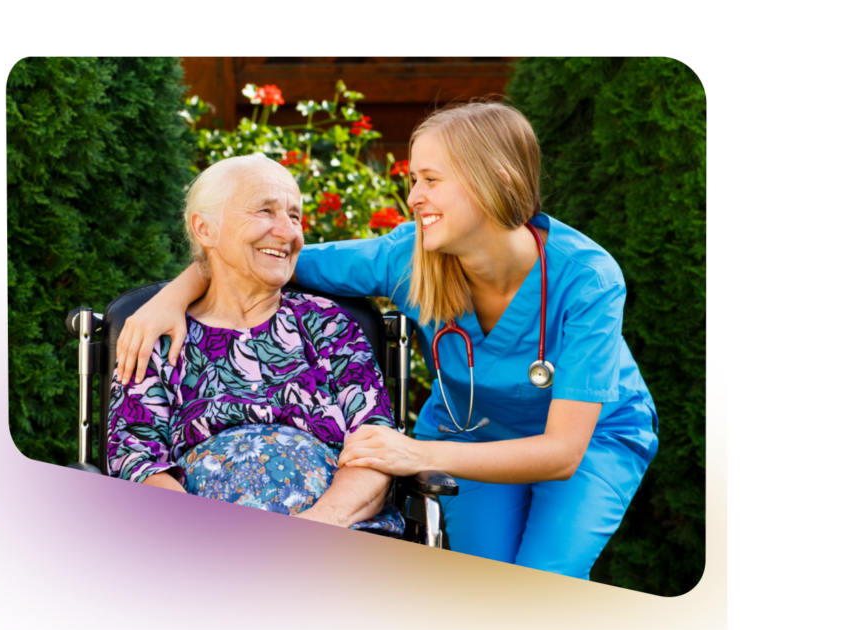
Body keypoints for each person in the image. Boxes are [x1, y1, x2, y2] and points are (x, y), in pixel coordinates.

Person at [115, 102, 659, 579]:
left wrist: (412, 453)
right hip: (470, 431)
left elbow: (562, 452)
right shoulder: (409, 256)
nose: (413, 197)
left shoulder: (588, 278)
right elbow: (268, 256)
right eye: (413, 180)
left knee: (550, 578)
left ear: (495, 178)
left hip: (586, 441)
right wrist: (173, 294)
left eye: (430, 179)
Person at [108, 153, 403, 537]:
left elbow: (376, 448)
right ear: (205, 229)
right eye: (266, 211)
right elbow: (137, 463)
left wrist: (315, 527)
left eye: (295, 217)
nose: (288, 232)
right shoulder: (159, 339)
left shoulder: (329, 326)